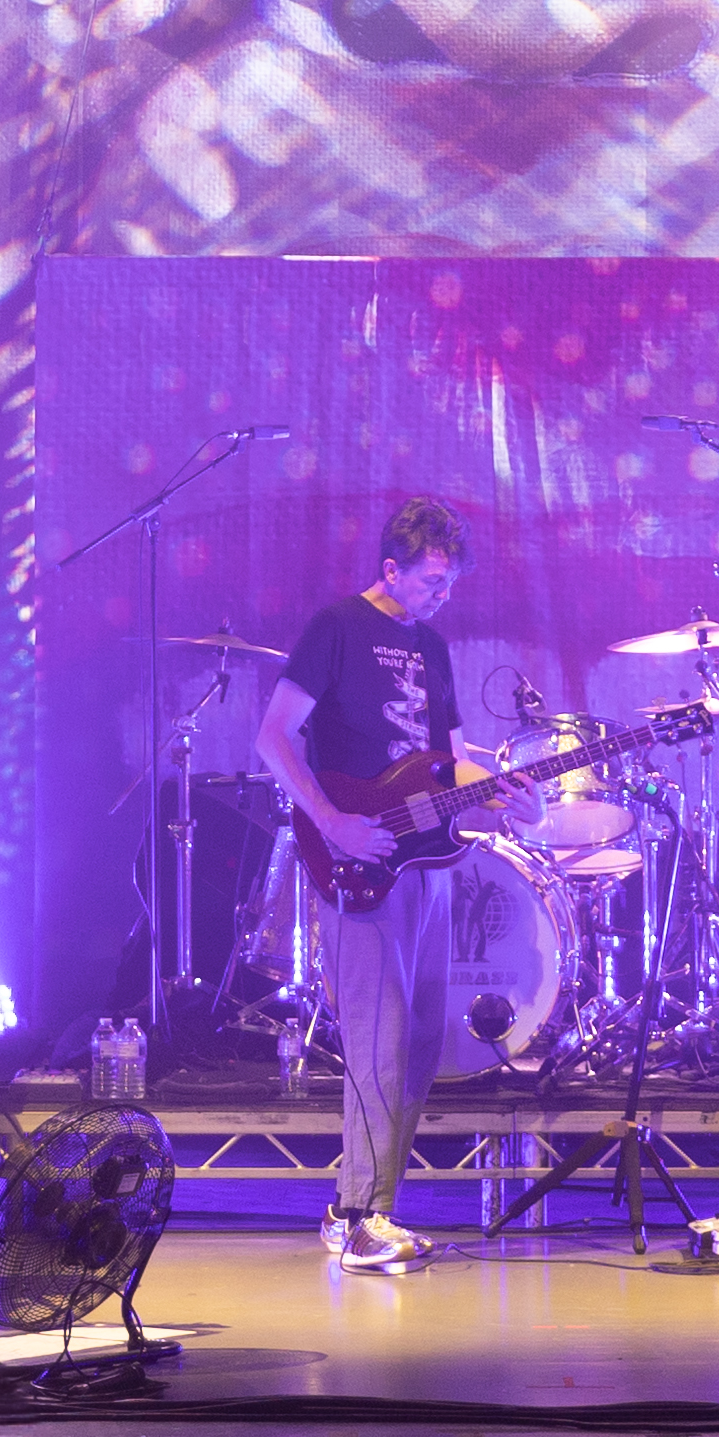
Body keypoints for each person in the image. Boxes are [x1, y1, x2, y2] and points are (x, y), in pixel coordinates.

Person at [249, 496, 511, 1272]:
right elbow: (272, 738)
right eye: (433, 579)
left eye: (452, 582)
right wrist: (330, 821)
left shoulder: (431, 646)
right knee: (377, 1040)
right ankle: (364, 1216)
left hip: (425, 860)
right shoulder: (336, 629)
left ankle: (360, 1210)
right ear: (391, 568)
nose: (443, 594)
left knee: (421, 1041)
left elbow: (453, 760)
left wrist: (504, 791)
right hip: (357, 858)